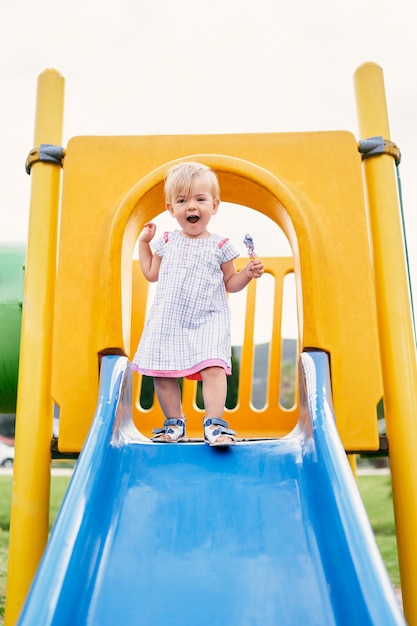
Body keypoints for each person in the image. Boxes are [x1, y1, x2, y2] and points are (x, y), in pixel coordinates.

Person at [131, 162, 264, 446]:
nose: (191, 206)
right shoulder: (166, 241)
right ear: (171, 209)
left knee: (214, 369)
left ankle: (214, 424)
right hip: (169, 319)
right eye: (182, 201)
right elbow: (151, 273)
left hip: (207, 319)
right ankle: (174, 423)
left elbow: (231, 283)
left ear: (214, 206)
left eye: (200, 199)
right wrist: (144, 244)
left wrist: (247, 275)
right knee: (161, 372)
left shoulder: (220, 246)